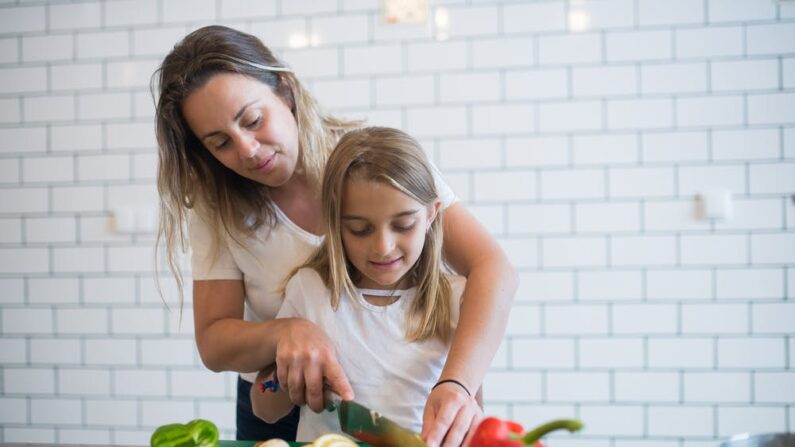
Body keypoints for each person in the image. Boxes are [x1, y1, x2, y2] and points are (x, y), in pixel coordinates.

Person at [154, 24, 517, 447]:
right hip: (293, 409)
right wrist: (284, 335)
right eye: (220, 143)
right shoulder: (231, 217)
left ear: (285, 91)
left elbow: (493, 269)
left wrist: (457, 383)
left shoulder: (371, 163)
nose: (248, 149)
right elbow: (222, 350)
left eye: (253, 119)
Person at [251, 126, 468, 442]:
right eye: (360, 230)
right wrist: (284, 379)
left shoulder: (456, 298)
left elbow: (468, 415)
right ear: (334, 223)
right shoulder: (309, 291)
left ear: (432, 214)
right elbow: (262, 403)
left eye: (403, 225)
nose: (383, 247)